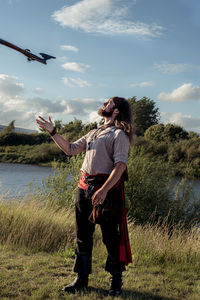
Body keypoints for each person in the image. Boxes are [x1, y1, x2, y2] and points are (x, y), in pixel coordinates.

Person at [36, 96, 133, 296]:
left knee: (110, 237)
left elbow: (120, 165)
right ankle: (81, 279)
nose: (105, 104)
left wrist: (104, 190)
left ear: (117, 110)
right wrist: (52, 132)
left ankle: (116, 281)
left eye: (109, 102)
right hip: (84, 188)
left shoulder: (119, 135)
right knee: (83, 236)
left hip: (106, 190)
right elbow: (70, 149)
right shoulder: (94, 132)